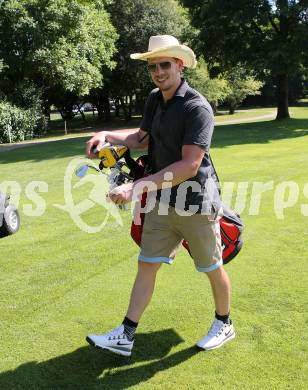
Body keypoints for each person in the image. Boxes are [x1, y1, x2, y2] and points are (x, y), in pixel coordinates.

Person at [85, 35, 235, 356]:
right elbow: (140, 138)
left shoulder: (197, 107)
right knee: (147, 264)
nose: (158, 72)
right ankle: (126, 334)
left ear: (179, 66)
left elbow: (189, 165)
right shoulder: (155, 98)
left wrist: (136, 187)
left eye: (164, 65)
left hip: (196, 203)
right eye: (153, 66)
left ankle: (224, 323)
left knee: (211, 267)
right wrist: (107, 134)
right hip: (162, 201)